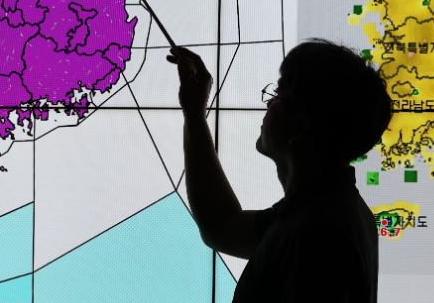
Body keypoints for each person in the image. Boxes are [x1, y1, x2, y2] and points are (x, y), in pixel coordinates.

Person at [166, 38, 393, 303]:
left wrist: (194, 112)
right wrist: (194, 112)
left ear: (298, 127)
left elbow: (221, 227)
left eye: (277, 95)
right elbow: (221, 227)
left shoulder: (317, 234)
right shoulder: (325, 209)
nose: (267, 104)